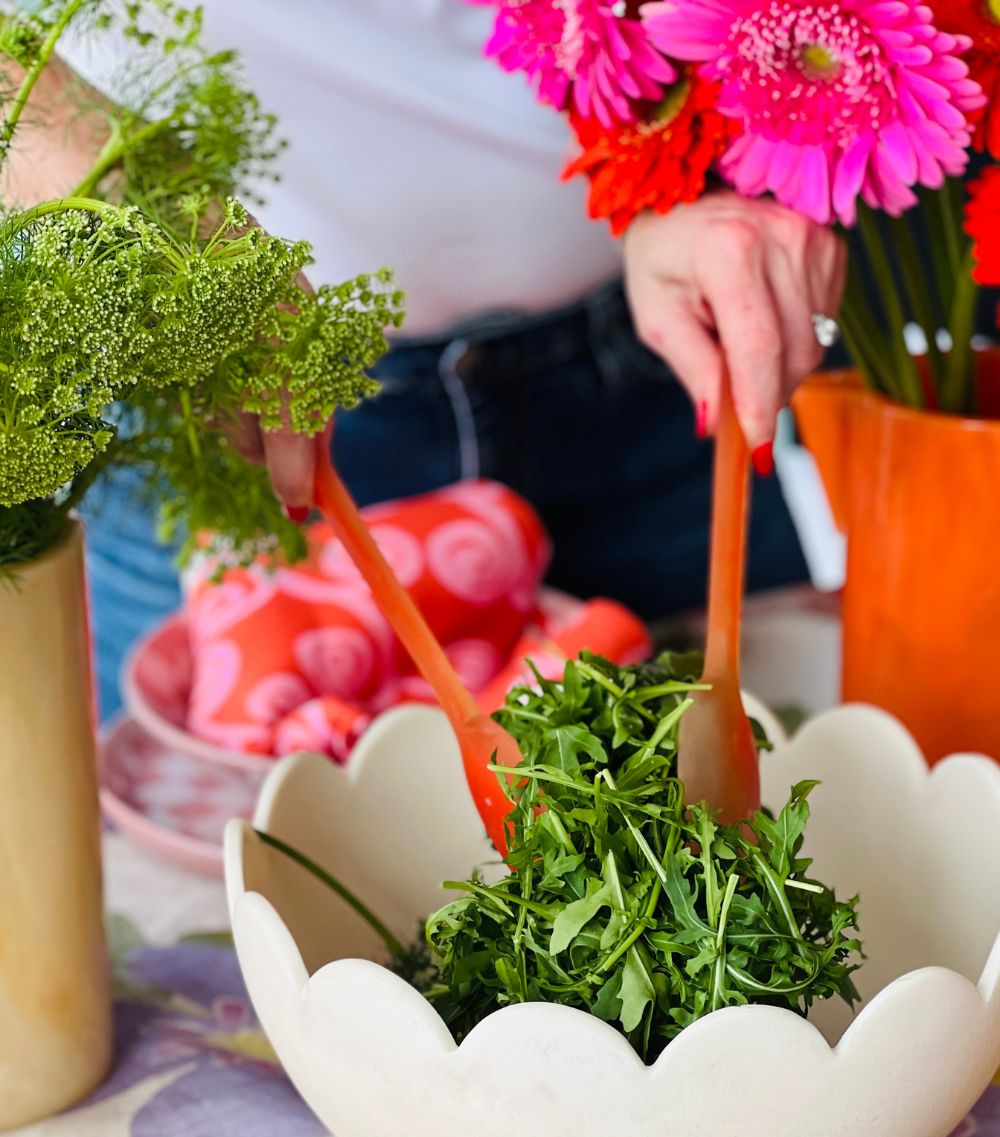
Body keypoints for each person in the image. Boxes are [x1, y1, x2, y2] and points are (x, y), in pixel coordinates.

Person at [2, 1, 845, 718]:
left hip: (660, 370)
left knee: (757, 797)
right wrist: (102, 177)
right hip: (220, 406)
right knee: (203, 894)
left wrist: (720, 154)